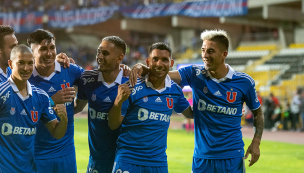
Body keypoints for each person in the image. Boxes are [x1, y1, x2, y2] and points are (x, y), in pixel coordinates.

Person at [130, 30, 264, 172]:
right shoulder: (195, 73)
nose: (205, 55)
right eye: (203, 50)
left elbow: (258, 113)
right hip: (202, 158)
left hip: (232, 157)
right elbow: (162, 74)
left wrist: (256, 142)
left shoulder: (244, 82)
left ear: (224, 54)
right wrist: (143, 68)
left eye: (210, 51)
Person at [109, 42, 193, 173]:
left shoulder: (175, 91)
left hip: (158, 163)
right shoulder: (132, 86)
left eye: (164, 60)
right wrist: (118, 101)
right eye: (155, 59)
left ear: (171, 64)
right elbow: (113, 124)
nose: (159, 64)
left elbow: (191, 114)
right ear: (148, 62)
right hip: (129, 159)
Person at [0, 44, 67, 173]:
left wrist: (63, 119)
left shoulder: (41, 96)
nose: (26, 68)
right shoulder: (2, 94)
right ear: (10, 64)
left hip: (29, 169)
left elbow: (57, 133)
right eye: (21, 63)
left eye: (30, 63)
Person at [27, 29, 84, 173]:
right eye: (43, 49)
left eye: (52, 47)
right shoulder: (25, 77)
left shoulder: (70, 70)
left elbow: (96, 80)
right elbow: (22, 114)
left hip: (66, 154)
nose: (49, 53)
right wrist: (51, 101)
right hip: (36, 155)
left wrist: (124, 69)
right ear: (32, 53)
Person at [74, 36, 129, 173]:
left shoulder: (132, 83)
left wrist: (140, 67)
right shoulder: (87, 79)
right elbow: (78, 107)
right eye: (98, 52)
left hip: (123, 161)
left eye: (105, 53)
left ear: (119, 58)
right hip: (96, 160)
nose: (99, 56)